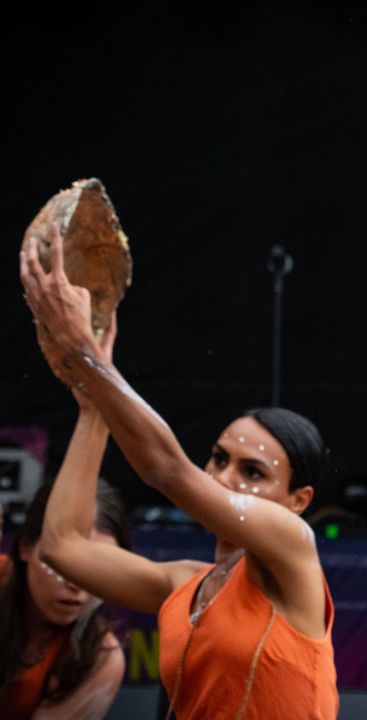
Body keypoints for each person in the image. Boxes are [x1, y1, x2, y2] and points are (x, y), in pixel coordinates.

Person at [19, 228, 338, 720]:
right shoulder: (183, 585)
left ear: (298, 500)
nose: (224, 477)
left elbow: (166, 469)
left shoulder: (294, 550)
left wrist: (84, 352)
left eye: (252, 472)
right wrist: (93, 412)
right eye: (218, 458)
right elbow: (61, 546)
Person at [0, 474, 128, 719]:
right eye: (63, 563)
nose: (77, 583)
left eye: (99, 565)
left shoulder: (100, 658)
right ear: (26, 546)